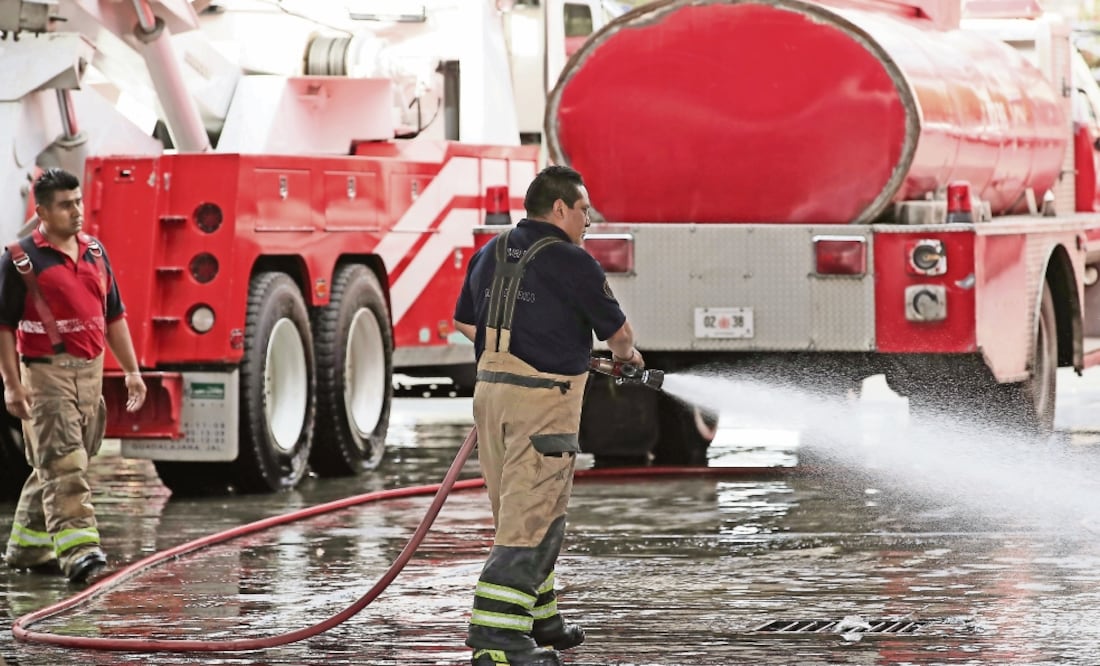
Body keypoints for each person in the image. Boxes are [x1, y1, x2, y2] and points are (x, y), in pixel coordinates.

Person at [453, 165, 643, 666]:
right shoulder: (572, 261)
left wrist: (527, 347)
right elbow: (619, 337)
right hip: (542, 403)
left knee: (515, 510)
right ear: (560, 208)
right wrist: (626, 360)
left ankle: (542, 618)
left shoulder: (491, 250)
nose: (588, 221)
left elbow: (463, 320)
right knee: (532, 519)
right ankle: (497, 640)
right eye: (584, 211)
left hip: (491, 398)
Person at [0, 168, 146, 584]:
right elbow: (3, 328)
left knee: (56, 462)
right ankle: (80, 553)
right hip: (46, 376)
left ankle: (28, 546)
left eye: (78, 201)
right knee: (66, 464)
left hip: (90, 375)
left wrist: (133, 372)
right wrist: (12, 384)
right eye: (65, 205)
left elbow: (113, 315)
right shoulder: (20, 260)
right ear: (42, 211)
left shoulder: (96, 252)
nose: (76, 211)